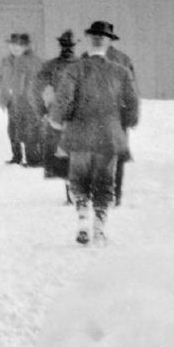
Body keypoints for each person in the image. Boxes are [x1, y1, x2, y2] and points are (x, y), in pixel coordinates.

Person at [52, 33, 139, 245]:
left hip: (79, 135)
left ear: (88, 42)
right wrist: (124, 123)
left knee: (78, 178)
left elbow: (64, 100)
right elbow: (132, 105)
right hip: (108, 136)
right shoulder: (121, 71)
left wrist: (57, 120)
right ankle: (99, 228)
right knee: (105, 182)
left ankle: (82, 217)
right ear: (108, 43)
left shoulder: (74, 69)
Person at [84, 21, 137, 205]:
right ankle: (95, 193)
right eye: (94, 37)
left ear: (110, 39)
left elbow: (131, 92)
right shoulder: (83, 59)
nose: (98, 40)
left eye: (102, 37)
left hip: (116, 116)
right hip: (89, 116)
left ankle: (115, 194)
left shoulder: (122, 60)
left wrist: (130, 116)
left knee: (116, 155)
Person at [36, 30, 81, 186]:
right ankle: (69, 185)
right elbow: (38, 89)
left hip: (79, 115)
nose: (67, 48)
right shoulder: (50, 66)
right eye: (64, 45)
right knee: (59, 152)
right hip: (57, 114)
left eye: (71, 46)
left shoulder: (83, 65)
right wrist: (43, 110)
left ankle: (75, 186)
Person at [0, 33, 44, 165]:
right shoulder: (6, 61)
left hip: (28, 100)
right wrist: (3, 97)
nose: (15, 48)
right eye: (12, 45)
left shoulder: (34, 61)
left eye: (19, 45)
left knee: (30, 128)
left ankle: (34, 158)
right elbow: (1, 79)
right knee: (13, 129)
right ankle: (16, 156)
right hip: (11, 100)